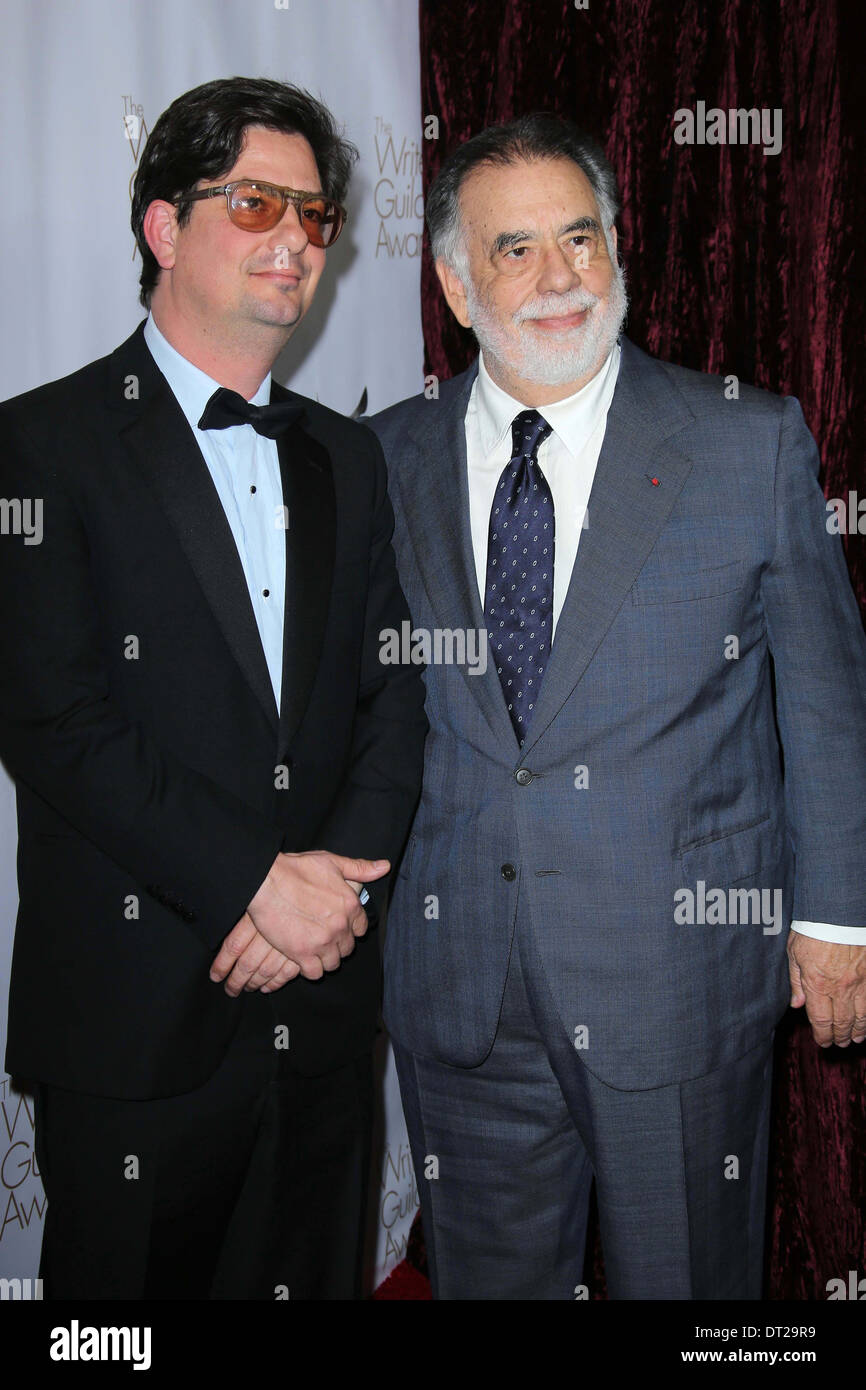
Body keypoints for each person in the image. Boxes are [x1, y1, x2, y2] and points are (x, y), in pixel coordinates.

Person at [369, 113, 866, 1300]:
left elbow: (827, 700)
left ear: (618, 253)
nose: (558, 279)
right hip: (460, 994)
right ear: (452, 279)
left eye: (580, 240)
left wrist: (838, 923)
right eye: (515, 250)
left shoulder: (744, 440)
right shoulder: (383, 456)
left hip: (676, 979)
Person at [0, 75, 427, 1300]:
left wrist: (327, 889)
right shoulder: (36, 445)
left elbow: (393, 690)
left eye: (314, 212)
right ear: (162, 227)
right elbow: (55, 719)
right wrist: (252, 888)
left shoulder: (347, 453)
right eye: (255, 203)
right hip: (138, 1026)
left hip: (325, 1009)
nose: (295, 237)